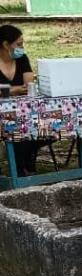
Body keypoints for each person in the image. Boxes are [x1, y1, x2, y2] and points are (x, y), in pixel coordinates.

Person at [0, 24, 40, 176]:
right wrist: (13, 90)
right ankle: (20, 169)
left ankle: (22, 168)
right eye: (19, 44)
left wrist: (6, 91)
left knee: (36, 131)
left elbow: (27, 85)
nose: (22, 47)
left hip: (21, 112)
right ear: (5, 44)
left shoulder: (22, 59)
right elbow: (18, 88)